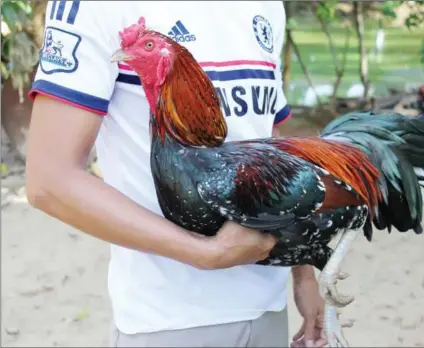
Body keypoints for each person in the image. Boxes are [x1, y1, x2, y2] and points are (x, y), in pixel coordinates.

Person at [26, 1, 325, 347]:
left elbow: (273, 147)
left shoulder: (266, 6)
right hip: (166, 319)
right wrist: (205, 253)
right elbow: (49, 181)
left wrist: (304, 273)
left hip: (267, 306)